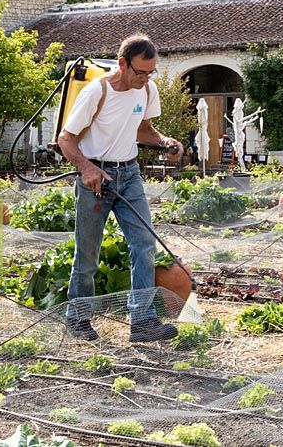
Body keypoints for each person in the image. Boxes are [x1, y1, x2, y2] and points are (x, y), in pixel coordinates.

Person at [57, 34, 184, 342]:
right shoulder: (96, 92)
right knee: (88, 252)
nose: (145, 78)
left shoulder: (147, 90)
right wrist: (87, 168)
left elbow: (144, 129)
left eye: (150, 72)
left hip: (129, 175)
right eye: (140, 72)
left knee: (144, 245)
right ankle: (77, 317)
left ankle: (141, 321)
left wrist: (165, 141)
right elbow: (66, 139)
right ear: (122, 63)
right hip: (96, 179)